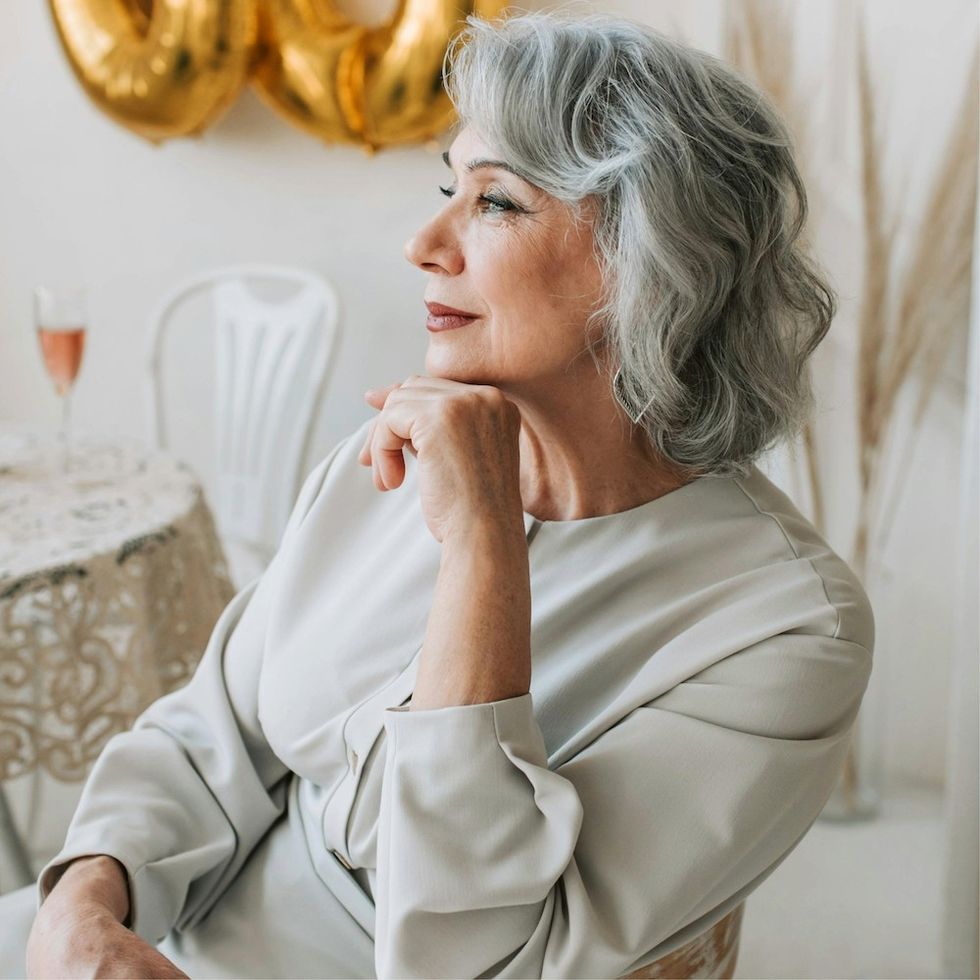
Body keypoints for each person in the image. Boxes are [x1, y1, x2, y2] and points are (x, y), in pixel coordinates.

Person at [2, 8, 874, 979]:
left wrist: (482, 549)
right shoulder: (383, 461)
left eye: (494, 203)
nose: (423, 241)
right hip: (148, 930)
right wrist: (84, 903)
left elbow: (486, 957)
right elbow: (215, 732)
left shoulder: (785, 628)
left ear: (647, 260)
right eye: (445, 188)